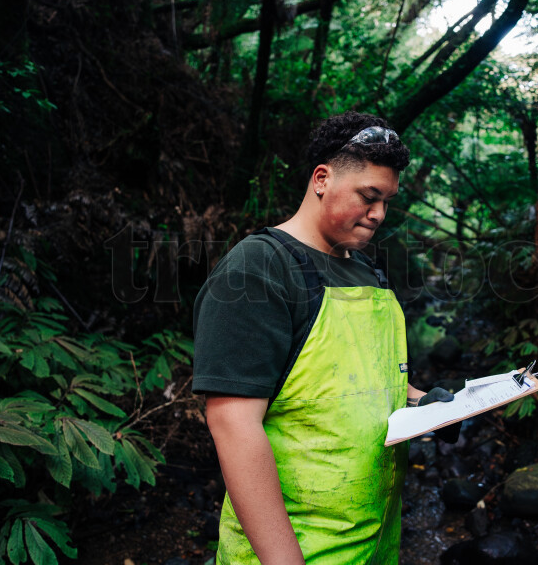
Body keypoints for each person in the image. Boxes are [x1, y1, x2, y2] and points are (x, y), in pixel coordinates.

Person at [192, 111, 456, 564]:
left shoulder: (366, 271)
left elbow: (360, 384)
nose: (379, 214)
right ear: (321, 178)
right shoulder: (258, 268)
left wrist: (421, 403)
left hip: (372, 542)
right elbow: (234, 426)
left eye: (388, 201)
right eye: (369, 196)